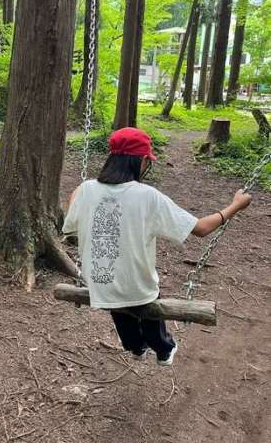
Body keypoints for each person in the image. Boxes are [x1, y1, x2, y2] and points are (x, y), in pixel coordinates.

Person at [62, 127, 252, 366]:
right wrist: (235, 205)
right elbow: (201, 228)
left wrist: (78, 191)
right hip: (138, 289)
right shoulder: (148, 196)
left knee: (121, 316)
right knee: (150, 316)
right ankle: (164, 351)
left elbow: (70, 223)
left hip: (100, 283)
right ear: (142, 161)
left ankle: (136, 348)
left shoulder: (87, 189)